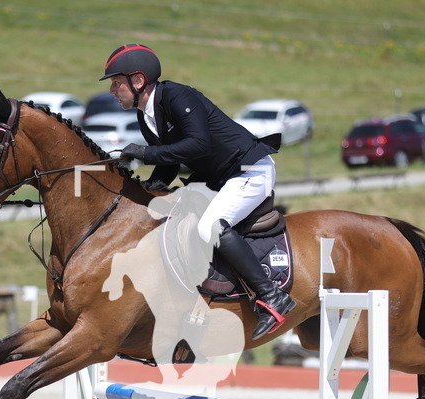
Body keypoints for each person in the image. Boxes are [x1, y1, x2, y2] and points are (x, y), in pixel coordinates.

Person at [101, 43, 294, 339]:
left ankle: (272, 296)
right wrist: (142, 191)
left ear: (138, 80)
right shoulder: (145, 115)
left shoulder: (178, 96)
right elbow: (168, 164)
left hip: (248, 170)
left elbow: (198, 144)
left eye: (117, 83)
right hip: (219, 178)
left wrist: (143, 152)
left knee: (210, 227)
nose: (112, 90)